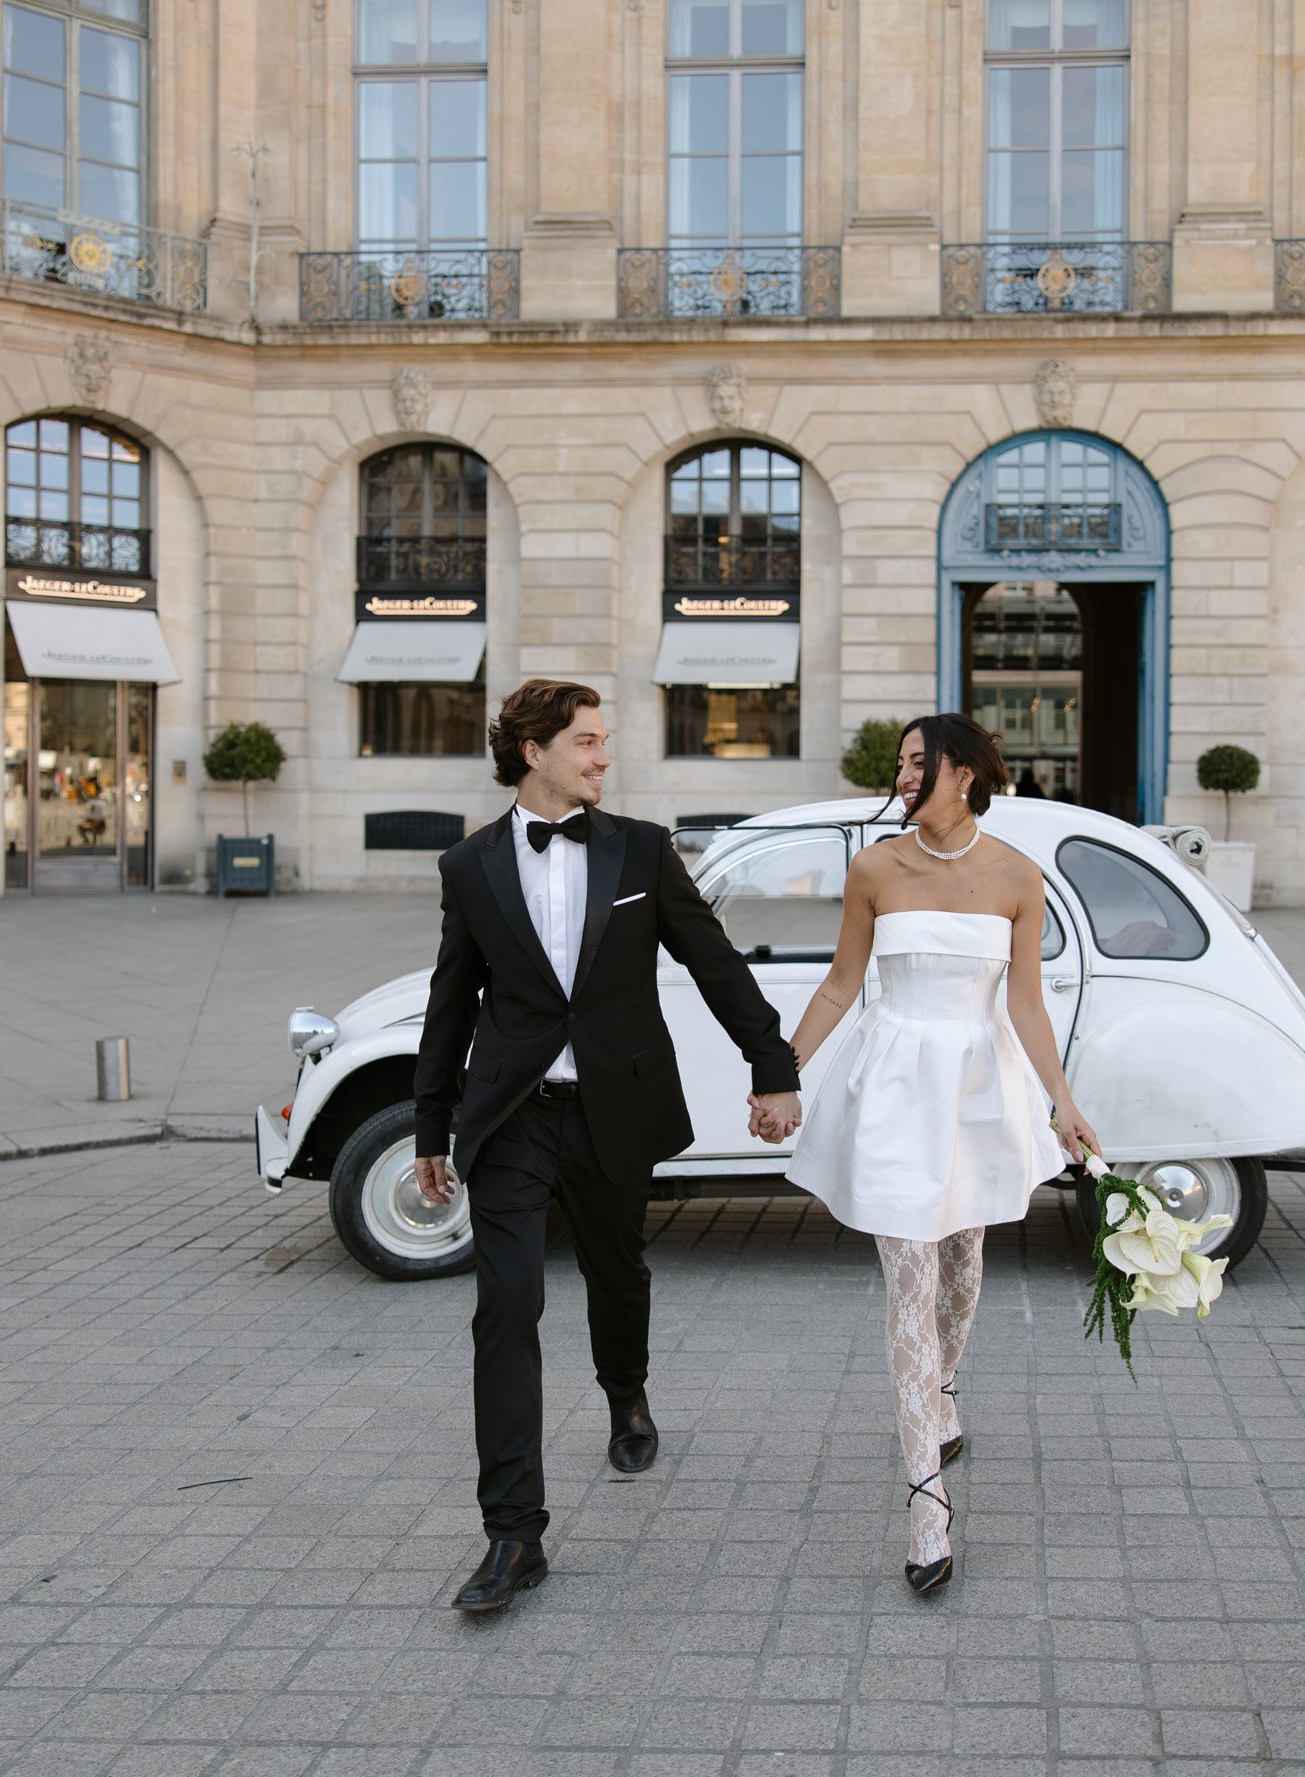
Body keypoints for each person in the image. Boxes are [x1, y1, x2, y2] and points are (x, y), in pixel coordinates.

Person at [413, 679, 802, 1613]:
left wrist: (771, 1063)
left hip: (611, 1109)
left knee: (617, 1273)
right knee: (505, 1308)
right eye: (585, 741)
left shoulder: (638, 847)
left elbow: (712, 961)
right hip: (511, 1116)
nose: (601, 756)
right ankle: (513, 1535)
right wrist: (432, 1125)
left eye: (601, 740)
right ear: (534, 751)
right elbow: (450, 1001)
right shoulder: (468, 867)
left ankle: (624, 1390)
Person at [749, 713, 1098, 1596]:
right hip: (894, 1090)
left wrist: (1063, 1102)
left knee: (963, 1266)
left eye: (918, 762)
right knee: (907, 1277)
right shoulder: (875, 867)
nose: (903, 775)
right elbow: (839, 985)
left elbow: (1024, 1004)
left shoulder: (1019, 878)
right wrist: (780, 1074)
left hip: (977, 1093)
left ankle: (943, 1394)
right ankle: (925, 1504)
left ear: (967, 773)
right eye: (901, 763)